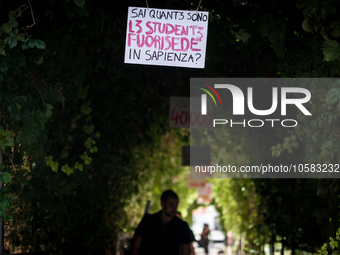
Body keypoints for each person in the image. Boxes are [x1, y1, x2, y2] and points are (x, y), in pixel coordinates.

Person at [131, 190, 191, 255]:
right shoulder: (148, 221)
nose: (174, 208)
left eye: (176, 205)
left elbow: (186, 251)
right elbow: (136, 246)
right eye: (171, 205)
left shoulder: (182, 226)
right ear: (162, 204)